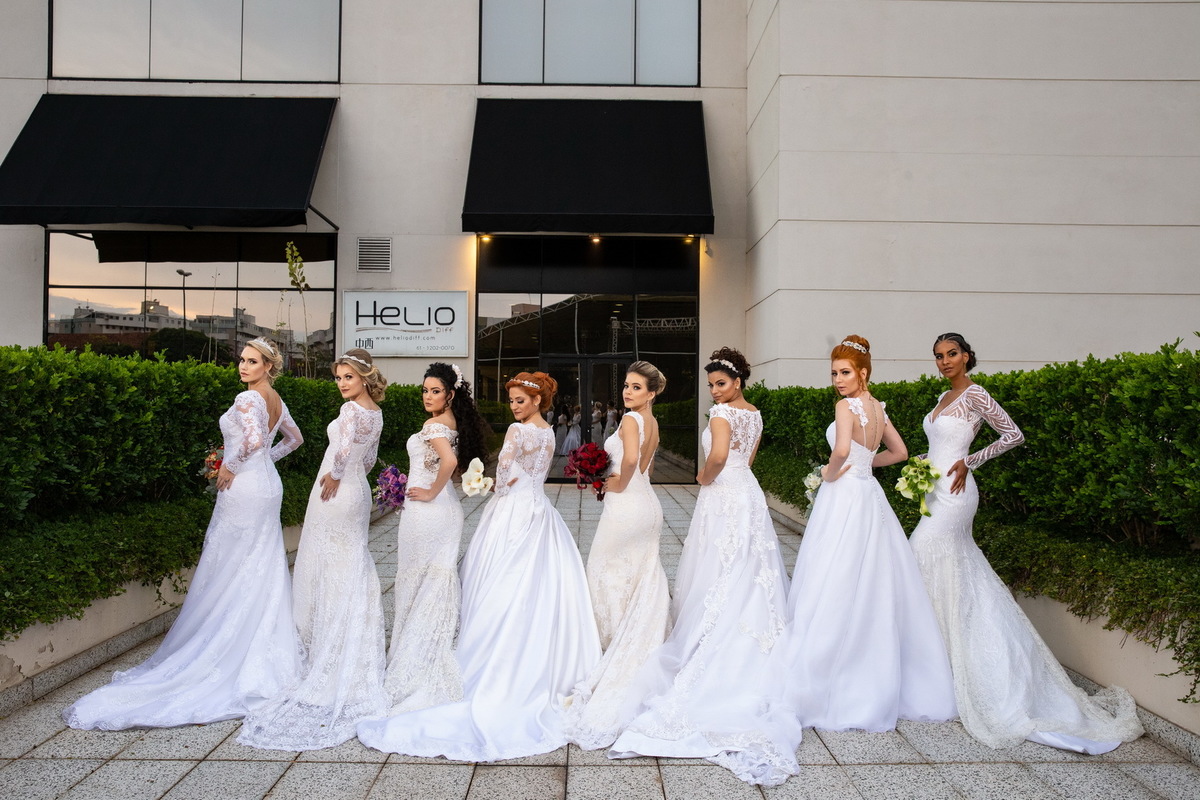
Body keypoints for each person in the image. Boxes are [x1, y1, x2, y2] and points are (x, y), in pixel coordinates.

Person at [909, 333, 1143, 753]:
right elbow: (939, 443)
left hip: (958, 494)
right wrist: (924, 465)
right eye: (939, 356)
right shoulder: (943, 395)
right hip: (933, 489)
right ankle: (937, 665)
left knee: (925, 554)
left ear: (967, 356)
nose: (944, 362)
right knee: (939, 566)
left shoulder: (976, 394)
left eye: (951, 354)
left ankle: (964, 669)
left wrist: (971, 460)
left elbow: (1013, 434)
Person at [357, 371, 601, 761]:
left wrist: (485, 485)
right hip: (539, 512)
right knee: (536, 585)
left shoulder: (517, 433)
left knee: (494, 582)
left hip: (510, 513)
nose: (514, 405)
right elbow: (531, 476)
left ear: (537, 401)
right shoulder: (550, 434)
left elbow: (503, 480)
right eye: (514, 399)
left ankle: (488, 651)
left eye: (521, 400)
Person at [63, 338, 303, 730]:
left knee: (231, 564)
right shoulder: (275, 398)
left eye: (252, 361)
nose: (243, 366)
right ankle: (258, 646)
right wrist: (263, 464)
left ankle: (225, 647)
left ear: (267, 365)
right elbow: (293, 440)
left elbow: (256, 442)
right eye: (241, 360)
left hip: (245, 489)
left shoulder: (248, 400)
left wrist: (232, 466)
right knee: (258, 562)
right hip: (266, 486)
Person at [610, 348, 800, 787]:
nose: (715, 390)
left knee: (719, 563)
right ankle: (753, 630)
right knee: (750, 564)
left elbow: (716, 458)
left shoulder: (720, 414)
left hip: (723, 493)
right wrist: (729, 475)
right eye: (712, 384)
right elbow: (747, 460)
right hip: (747, 492)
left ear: (736, 381)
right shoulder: (754, 414)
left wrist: (703, 479)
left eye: (720, 382)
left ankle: (715, 637)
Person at [781, 335, 957, 732]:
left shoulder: (846, 406)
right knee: (873, 574)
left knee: (834, 572)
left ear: (863, 372)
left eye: (845, 372)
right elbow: (900, 453)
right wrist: (866, 465)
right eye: (833, 373)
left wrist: (830, 473)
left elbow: (841, 450)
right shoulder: (878, 408)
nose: (838, 380)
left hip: (844, 494)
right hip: (869, 494)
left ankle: (828, 664)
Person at [237, 349, 388, 751]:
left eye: (348, 378)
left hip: (335, 489)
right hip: (356, 491)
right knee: (347, 559)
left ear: (364, 378)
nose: (341, 384)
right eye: (338, 378)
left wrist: (337, 475)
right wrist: (351, 476)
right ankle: (343, 640)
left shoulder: (355, 411)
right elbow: (369, 458)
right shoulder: (376, 412)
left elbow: (342, 454)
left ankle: (325, 645)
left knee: (323, 559)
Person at [564, 362, 670, 750]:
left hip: (627, 506)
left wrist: (612, 484)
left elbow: (627, 464)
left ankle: (610, 646)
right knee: (638, 576)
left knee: (603, 570)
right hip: (648, 506)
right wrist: (626, 480)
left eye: (636, 387)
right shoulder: (652, 423)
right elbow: (647, 465)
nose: (628, 393)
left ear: (651, 392)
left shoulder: (629, 420)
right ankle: (636, 640)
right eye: (626, 386)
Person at [382, 362, 490, 713]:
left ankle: (414, 656)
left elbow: (448, 462)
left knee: (418, 577)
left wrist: (428, 492)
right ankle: (429, 647)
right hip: (443, 511)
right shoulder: (454, 424)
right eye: (425, 390)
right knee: (432, 578)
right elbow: (453, 465)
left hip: (430, 512)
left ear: (450, 394)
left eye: (435, 391)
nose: (428, 396)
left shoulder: (433, 426)